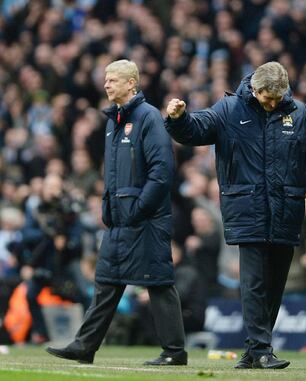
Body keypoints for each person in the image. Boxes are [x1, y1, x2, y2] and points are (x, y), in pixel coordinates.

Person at [165, 61, 306, 369]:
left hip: (286, 211)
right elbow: (197, 129)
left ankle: (253, 352)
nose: (272, 103)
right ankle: (261, 349)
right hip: (247, 209)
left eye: (277, 98)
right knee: (255, 283)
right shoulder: (229, 109)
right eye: (266, 97)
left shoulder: (298, 114)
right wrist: (178, 119)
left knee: (273, 286)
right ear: (255, 88)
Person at [46, 59, 187, 366]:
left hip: (145, 220)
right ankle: (85, 346)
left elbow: (162, 172)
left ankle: (175, 352)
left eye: (112, 79)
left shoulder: (149, 117)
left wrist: (138, 209)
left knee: (158, 282)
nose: (106, 84)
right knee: (106, 283)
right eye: (106, 79)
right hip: (117, 221)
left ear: (131, 84)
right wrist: (109, 210)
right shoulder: (113, 122)